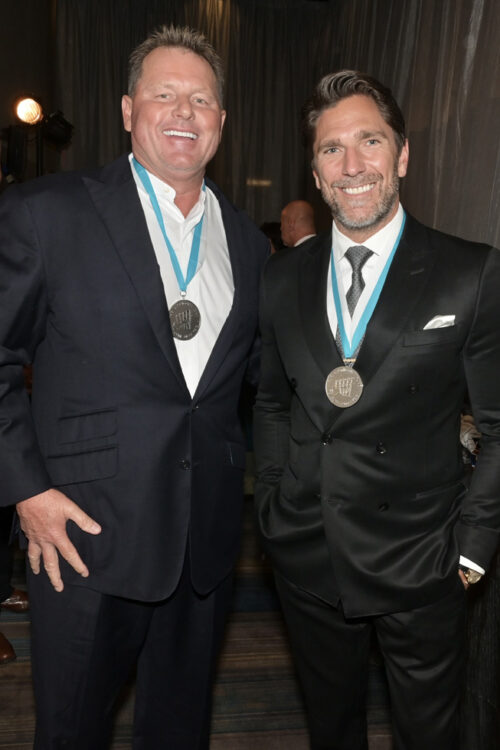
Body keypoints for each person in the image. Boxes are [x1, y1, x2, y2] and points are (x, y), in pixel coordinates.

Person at [0, 25, 268, 749]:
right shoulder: (46, 213)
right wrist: (25, 490)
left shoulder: (248, 243)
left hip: (203, 549)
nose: (184, 112)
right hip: (82, 539)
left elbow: (255, 383)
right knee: (72, 731)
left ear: (221, 121)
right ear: (126, 109)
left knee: (179, 732)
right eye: (164, 95)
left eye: (202, 100)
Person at [253, 69, 500, 750]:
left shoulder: (468, 271)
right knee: (333, 730)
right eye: (332, 149)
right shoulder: (281, 277)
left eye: (370, 141)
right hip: (307, 554)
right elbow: (272, 404)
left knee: (430, 735)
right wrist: (273, 510)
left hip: (423, 561)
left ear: (402, 155)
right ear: (314, 169)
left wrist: (472, 552)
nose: (353, 165)